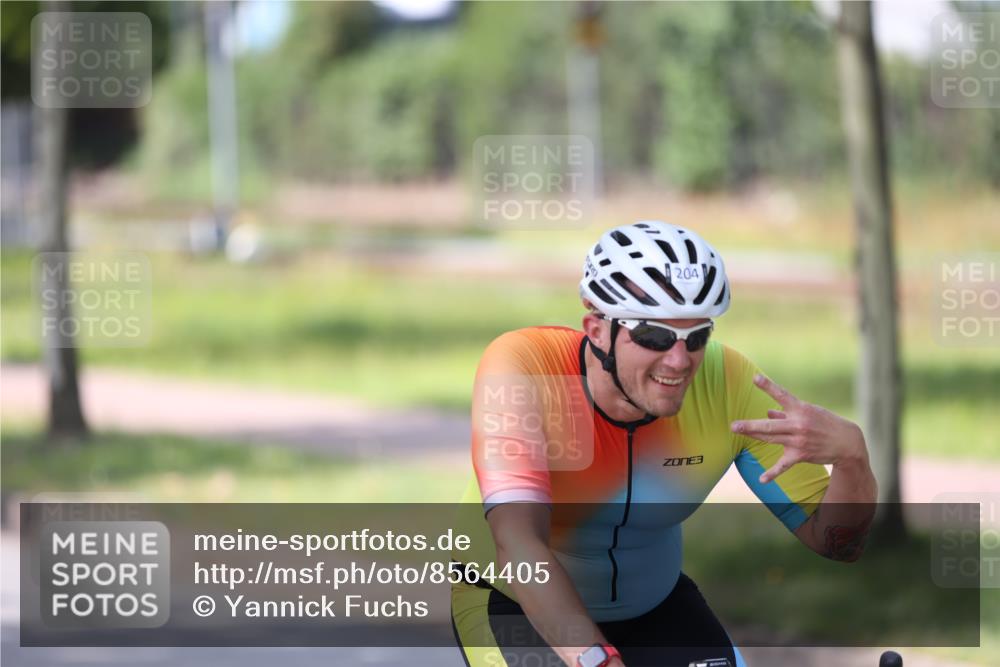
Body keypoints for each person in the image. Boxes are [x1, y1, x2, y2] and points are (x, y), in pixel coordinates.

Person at [451, 221, 878, 667]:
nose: (679, 361)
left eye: (696, 337)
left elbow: (838, 544)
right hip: (514, 603)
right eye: (653, 336)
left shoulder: (727, 382)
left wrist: (852, 456)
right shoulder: (526, 368)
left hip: (654, 608)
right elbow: (519, 543)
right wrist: (595, 660)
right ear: (596, 329)